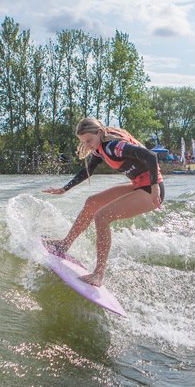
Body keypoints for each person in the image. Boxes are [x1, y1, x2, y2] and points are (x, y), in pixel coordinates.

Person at [43, 117, 164, 286]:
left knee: (102, 217)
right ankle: (64, 245)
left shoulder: (114, 147)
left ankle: (98, 275)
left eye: (89, 140)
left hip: (151, 190)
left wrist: (155, 187)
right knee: (92, 202)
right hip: (139, 185)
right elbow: (87, 171)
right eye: (83, 142)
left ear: (99, 133)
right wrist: (65, 189)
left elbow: (151, 156)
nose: (87, 145)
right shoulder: (100, 148)